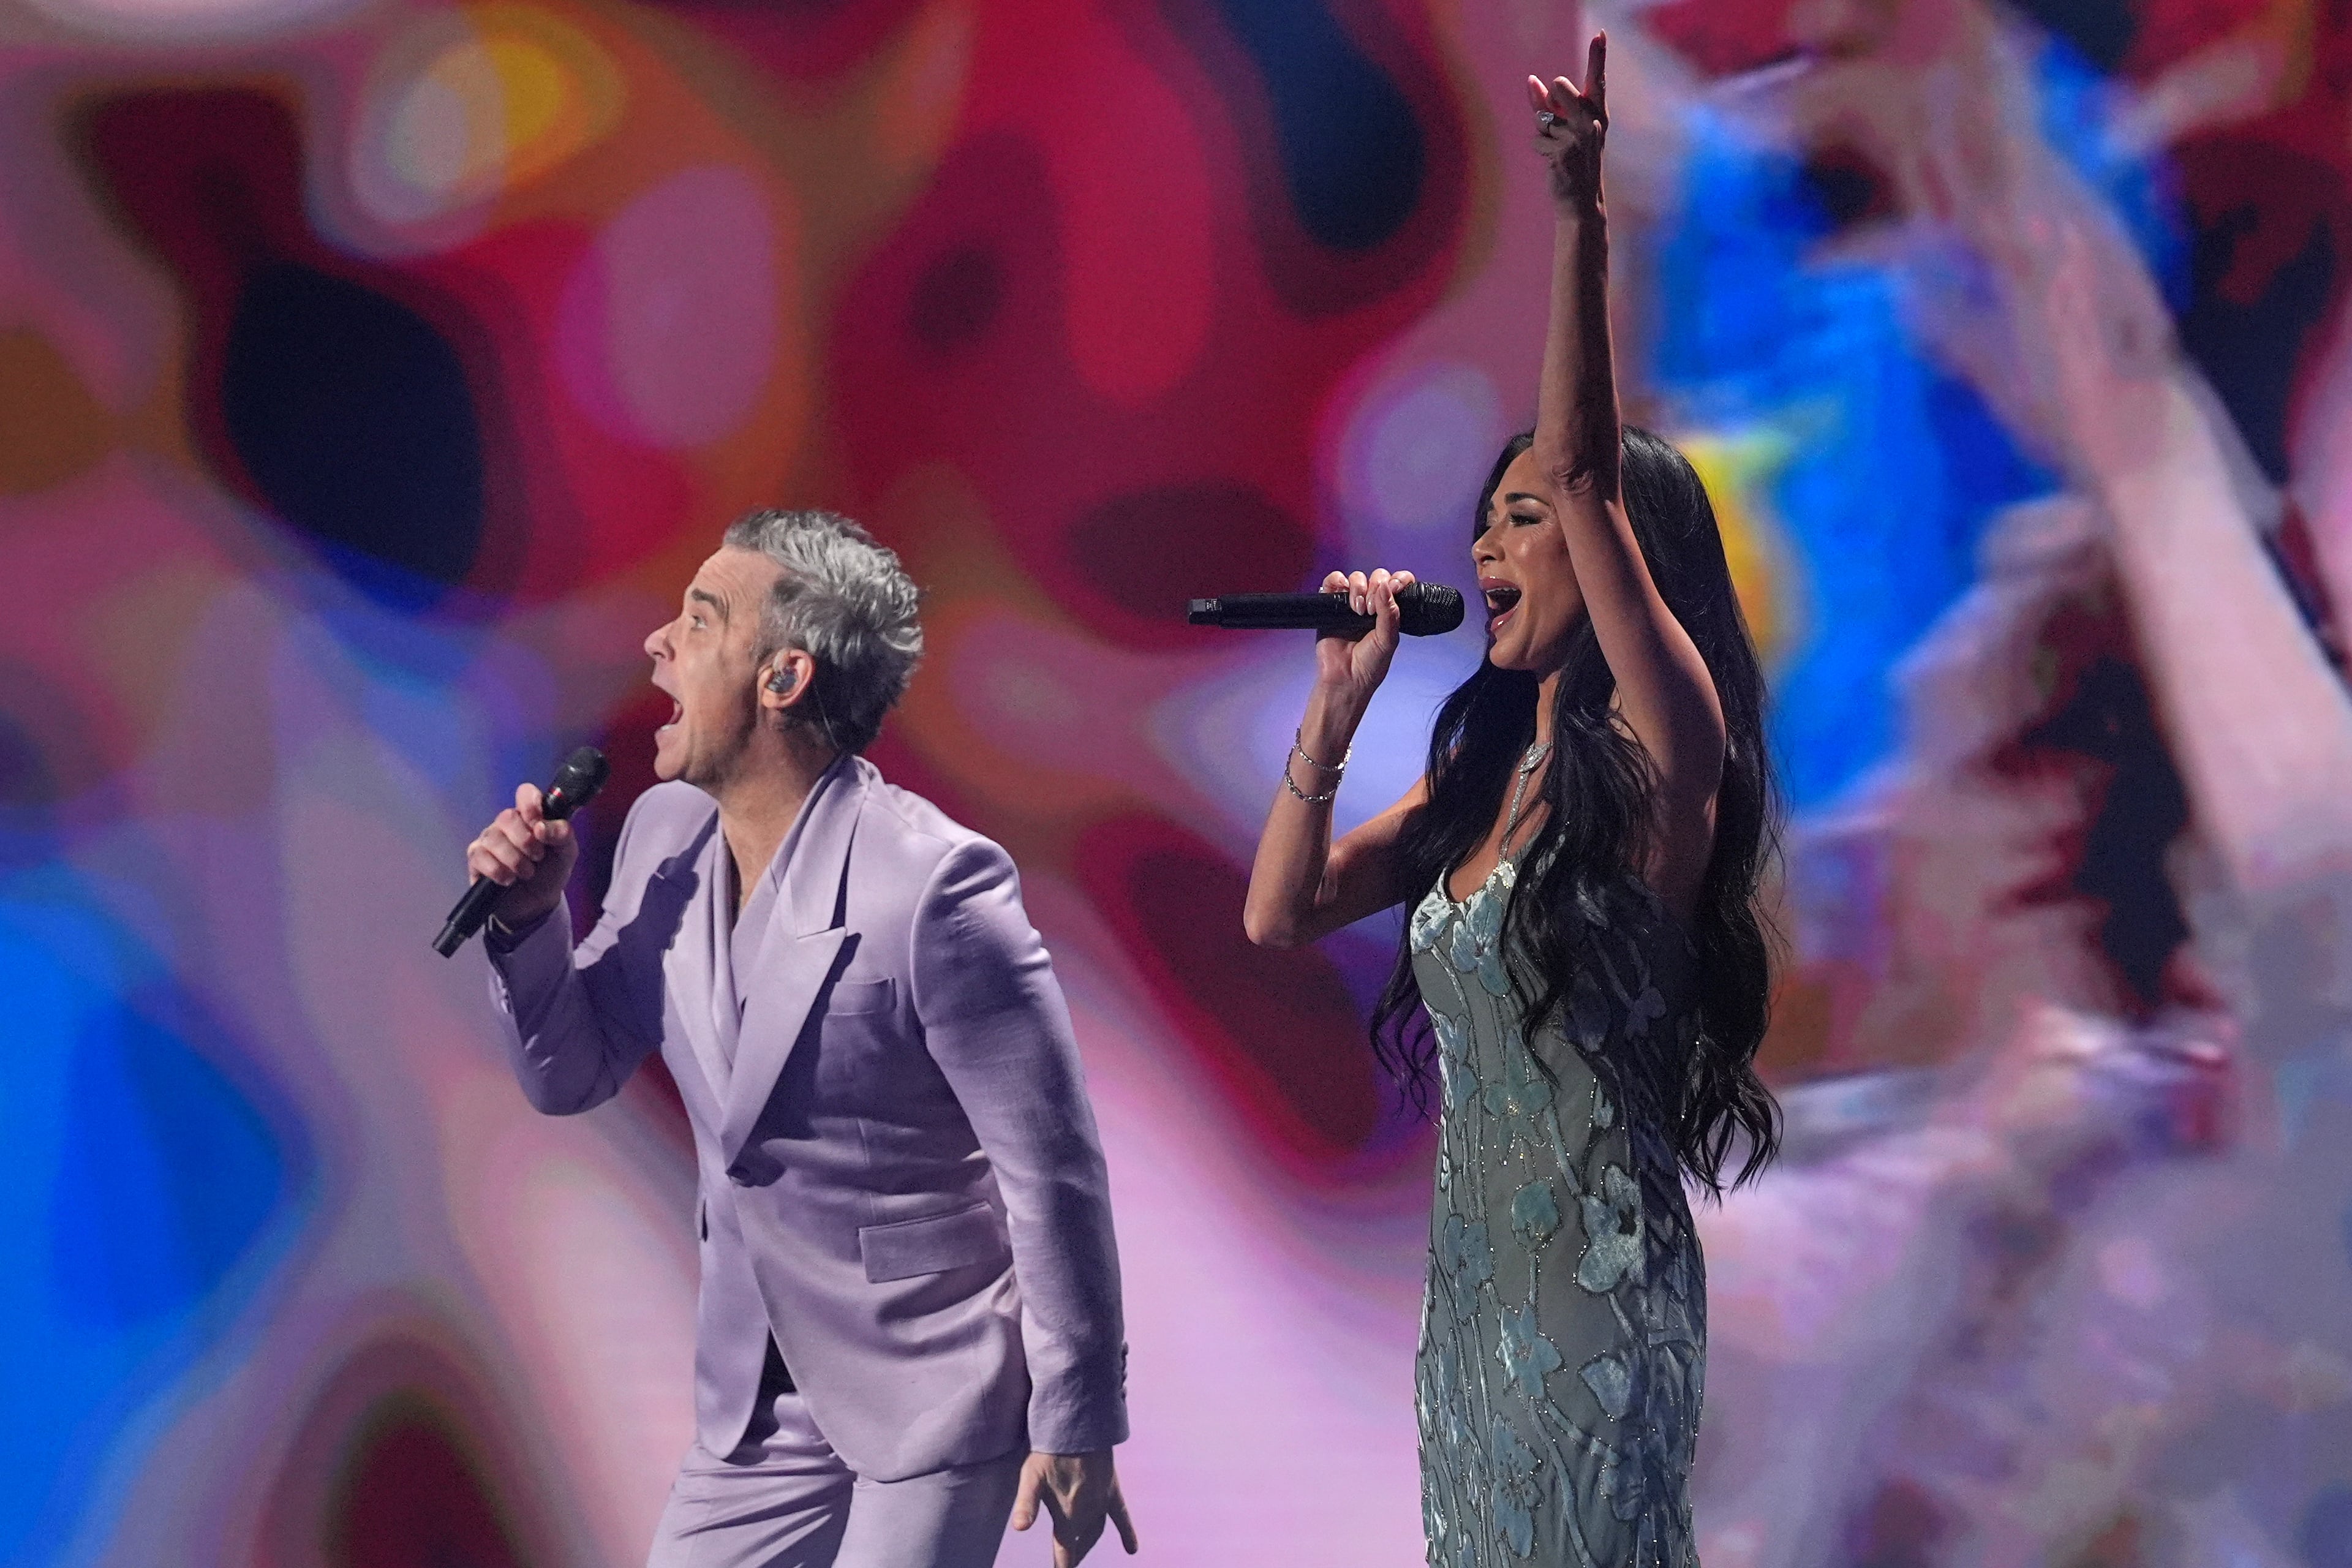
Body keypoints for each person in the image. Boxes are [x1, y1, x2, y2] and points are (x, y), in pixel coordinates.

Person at [1242, 37, 1781, 1567]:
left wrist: (1577, 212)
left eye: (1523, 520)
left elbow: (1594, 472)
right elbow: (1278, 908)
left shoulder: (1668, 751)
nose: (1487, 550)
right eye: (1481, 525)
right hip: (1471, 1306)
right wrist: (1337, 709)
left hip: (1596, 1300)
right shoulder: (1474, 785)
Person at [462, 509, 1138, 1568]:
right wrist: (526, 922)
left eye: (698, 619)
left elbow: (1050, 1169)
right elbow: (571, 1071)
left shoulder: (935, 884)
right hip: (757, 1403)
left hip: (930, 1382)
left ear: (782, 679)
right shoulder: (661, 838)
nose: (657, 643)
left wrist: (1080, 1414)